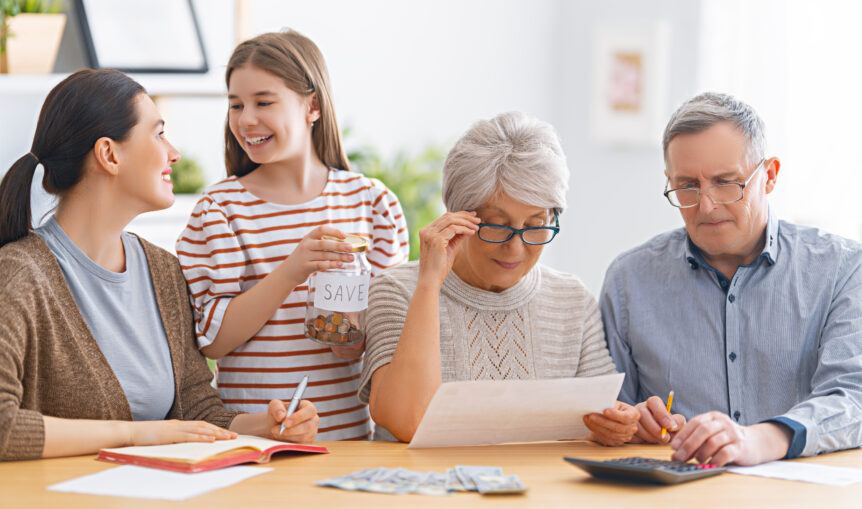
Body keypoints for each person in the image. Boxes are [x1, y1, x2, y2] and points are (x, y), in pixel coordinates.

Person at [0, 69, 319, 461]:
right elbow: (4, 426)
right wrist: (135, 435)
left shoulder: (164, 271)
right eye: (158, 133)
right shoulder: (19, 276)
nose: (173, 152)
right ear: (109, 154)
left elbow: (197, 411)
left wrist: (265, 426)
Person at [601, 92, 862, 466]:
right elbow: (611, 411)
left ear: (769, 176)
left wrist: (759, 440)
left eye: (727, 182)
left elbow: (854, 398)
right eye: (688, 185)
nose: (706, 205)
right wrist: (628, 423)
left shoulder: (843, 269)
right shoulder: (628, 281)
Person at [177, 30, 409, 442]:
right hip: (251, 444)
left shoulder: (372, 204)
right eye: (236, 105)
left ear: (312, 105)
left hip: (349, 443)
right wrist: (292, 271)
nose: (246, 119)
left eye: (264, 102)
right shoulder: (220, 210)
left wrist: (349, 339)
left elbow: (388, 342)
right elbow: (212, 341)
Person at [357, 111, 640, 444]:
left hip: (538, 491)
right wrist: (430, 284)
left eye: (535, 226)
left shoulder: (571, 299)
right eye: (496, 224)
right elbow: (408, 421)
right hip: (427, 491)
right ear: (457, 217)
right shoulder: (398, 290)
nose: (516, 248)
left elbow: (600, 416)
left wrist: (616, 426)